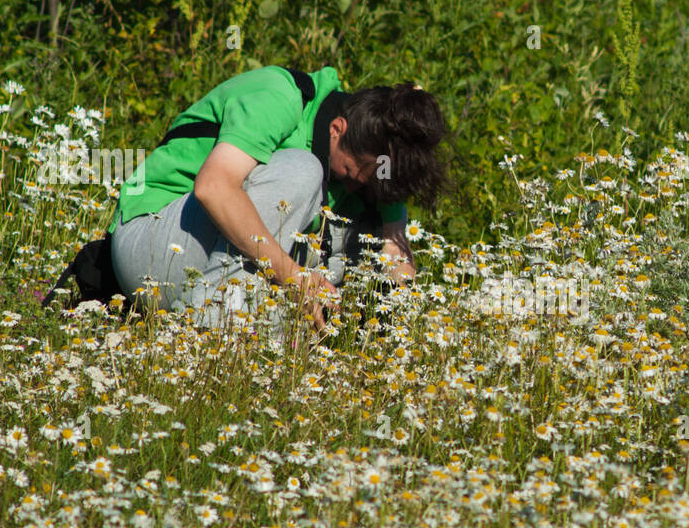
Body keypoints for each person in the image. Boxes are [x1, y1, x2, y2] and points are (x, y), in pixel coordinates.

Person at [106, 65, 448, 332]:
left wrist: (399, 305)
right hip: (153, 247)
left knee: (360, 233)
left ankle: (274, 341)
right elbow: (213, 188)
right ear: (337, 128)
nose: (355, 188)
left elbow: (395, 247)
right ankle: (203, 331)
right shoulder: (279, 96)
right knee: (302, 170)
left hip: (227, 264)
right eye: (350, 175)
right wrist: (295, 277)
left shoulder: (374, 158)